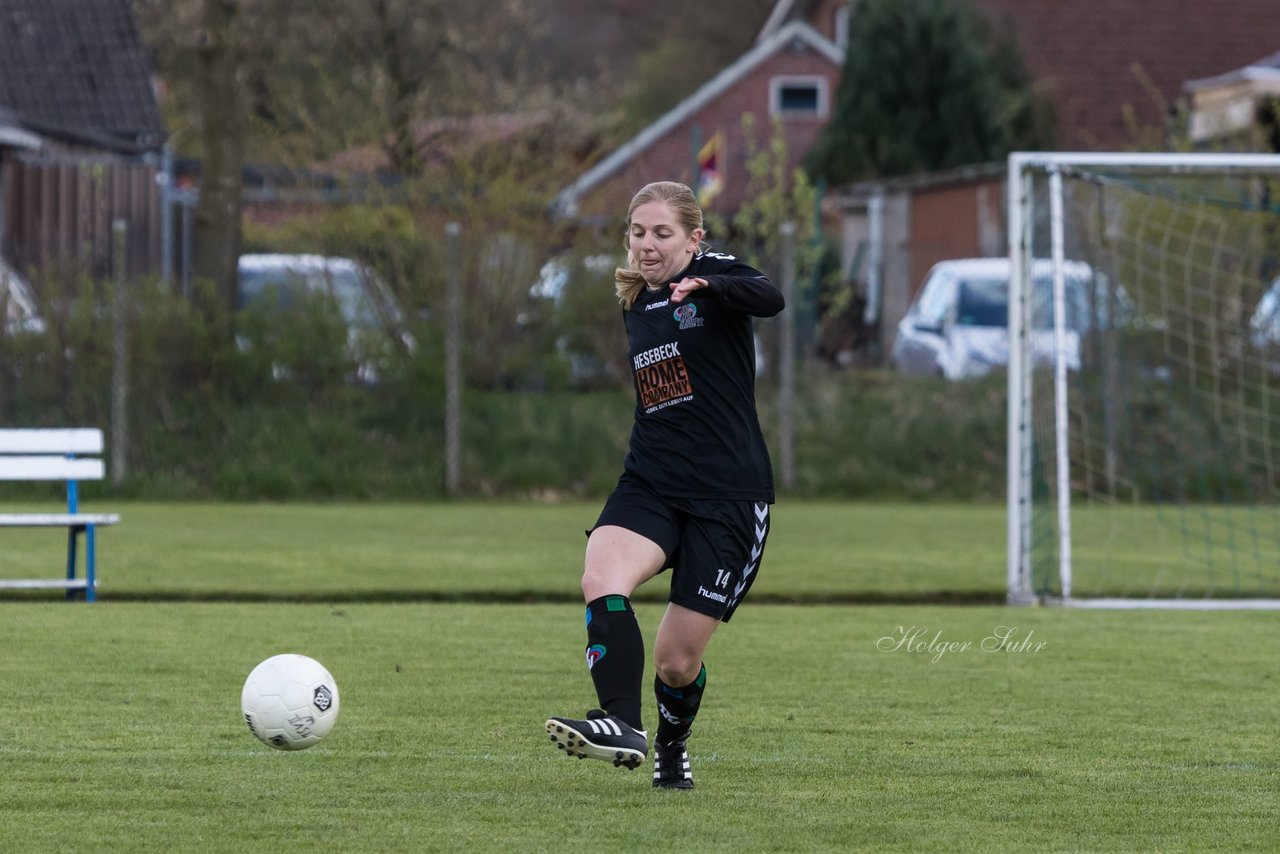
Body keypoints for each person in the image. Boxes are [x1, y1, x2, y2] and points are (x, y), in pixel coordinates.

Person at [544, 180, 784, 789]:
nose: (646, 245)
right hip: (650, 481)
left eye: (662, 234)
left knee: (676, 663)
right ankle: (621, 724)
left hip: (727, 497)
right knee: (600, 577)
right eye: (637, 232)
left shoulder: (714, 274)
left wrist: (711, 283)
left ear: (693, 239)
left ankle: (672, 748)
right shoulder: (635, 301)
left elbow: (770, 296)